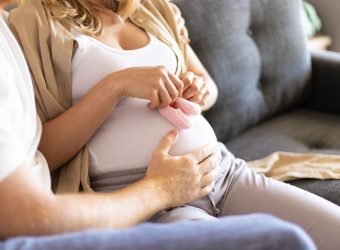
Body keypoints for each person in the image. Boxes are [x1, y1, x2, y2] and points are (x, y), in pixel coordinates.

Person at [5, 0, 340, 249]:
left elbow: (208, 88)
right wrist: (114, 87)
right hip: (143, 199)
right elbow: (41, 151)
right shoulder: (32, 21)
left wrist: (199, 88)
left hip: (221, 172)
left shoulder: (153, 8)